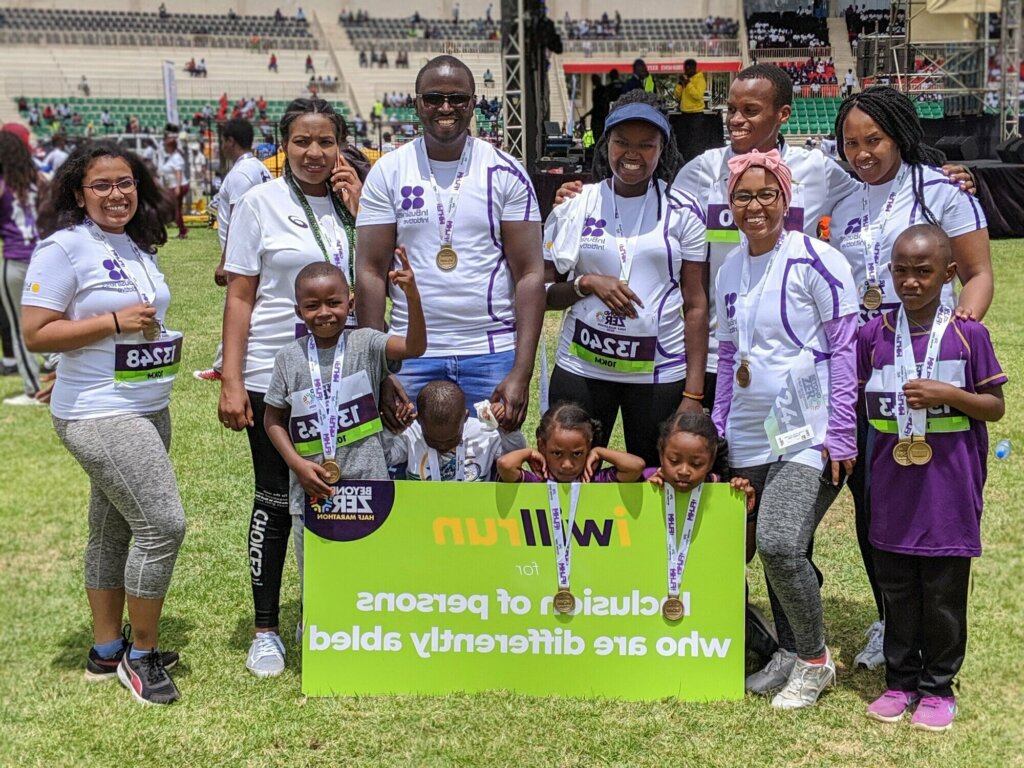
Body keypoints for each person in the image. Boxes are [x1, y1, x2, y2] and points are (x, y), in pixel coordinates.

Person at [829, 86, 992, 669]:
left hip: (922, 367)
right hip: (859, 367)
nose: (861, 152)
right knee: (875, 504)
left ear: (898, 133)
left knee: (918, 499)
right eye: (850, 142)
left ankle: (923, 633)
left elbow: (976, 274)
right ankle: (889, 620)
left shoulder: (943, 191)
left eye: (873, 139)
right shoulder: (843, 197)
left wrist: (958, 333)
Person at [21, 142, 185, 705]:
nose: (117, 194)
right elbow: (36, 332)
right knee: (163, 525)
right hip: (99, 410)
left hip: (147, 404)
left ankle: (105, 649)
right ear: (77, 193)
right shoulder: (63, 248)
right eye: (102, 186)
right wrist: (113, 321)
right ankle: (141, 658)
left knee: (114, 529)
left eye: (126, 183)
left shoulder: (135, 244)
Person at [219, 98, 364, 678]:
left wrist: (359, 209)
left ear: (340, 145)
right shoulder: (260, 202)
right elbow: (239, 295)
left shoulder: (355, 202)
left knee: (340, 493)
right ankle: (265, 629)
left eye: (325, 141)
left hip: (344, 373)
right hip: (272, 375)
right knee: (276, 498)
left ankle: (328, 609)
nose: (314, 153)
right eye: (301, 141)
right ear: (284, 146)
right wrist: (232, 380)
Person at [713, 150, 858, 709]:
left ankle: (815, 661)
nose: (755, 206)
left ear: (785, 197)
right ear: (730, 205)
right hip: (749, 432)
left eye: (766, 194)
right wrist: (721, 423)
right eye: (744, 196)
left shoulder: (816, 258)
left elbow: (844, 351)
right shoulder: (728, 268)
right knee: (768, 548)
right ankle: (790, 651)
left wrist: (841, 433)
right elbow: (729, 356)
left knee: (778, 541)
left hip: (807, 428)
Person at [857, 224, 1005, 731]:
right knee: (896, 587)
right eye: (902, 270)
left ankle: (938, 686)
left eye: (923, 271)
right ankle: (899, 681)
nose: (911, 281)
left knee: (942, 593)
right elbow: (860, 399)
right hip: (893, 488)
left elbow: (994, 407)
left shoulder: (970, 334)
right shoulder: (874, 333)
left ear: (948, 274)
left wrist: (949, 394)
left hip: (948, 490)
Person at [356, 55, 543, 435]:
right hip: (410, 352)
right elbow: (370, 272)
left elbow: (530, 274)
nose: (446, 108)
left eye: (458, 99)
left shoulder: (505, 172)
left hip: (490, 351)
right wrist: (377, 368)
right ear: (416, 103)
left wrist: (521, 372)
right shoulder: (388, 172)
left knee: (490, 476)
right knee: (408, 475)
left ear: (474, 103)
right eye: (434, 98)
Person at [542, 91, 708, 467]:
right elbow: (545, 293)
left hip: (657, 373)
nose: (632, 153)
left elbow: (696, 306)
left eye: (646, 145)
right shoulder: (575, 204)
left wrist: (693, 394)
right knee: (569, 473)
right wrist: (587, 284)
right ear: (606, 145)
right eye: (621, 143)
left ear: (662, 149)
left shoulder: (684, 212)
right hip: (582, 367)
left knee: (653, 477)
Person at [264, 258, 425, 609]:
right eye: (312, 305)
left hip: (369, 486)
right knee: (318, 572)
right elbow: (272, 418)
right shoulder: (288, 359)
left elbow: (414, 348)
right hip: (313, 489)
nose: (324, 312)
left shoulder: (366, 343)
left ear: (350, 303)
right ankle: (318, 629)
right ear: (298, 310)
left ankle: (365, 636)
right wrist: (296, 464)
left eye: (334, 302)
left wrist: (412, 296)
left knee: (370, 569)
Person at [193, 118, 273, 382]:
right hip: (260, 247)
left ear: (229, 141)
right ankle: (222, 362)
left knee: (240, 306)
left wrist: (225, 260)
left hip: (245, 252)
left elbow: (239, 218)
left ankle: (228, 365)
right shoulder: (259, 168)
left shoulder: (239, 175)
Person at [385, 379, 527, 481]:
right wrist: (392, 430)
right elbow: (384, 459)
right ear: (419, 420)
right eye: (432, 440)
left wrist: (506, 429)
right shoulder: (412, 433)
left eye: (451, 439)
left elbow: (516, 455)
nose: (443, 446)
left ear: (465, 418)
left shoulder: (483, 432)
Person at [496, 402, 645, 483]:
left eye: (577, 454)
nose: (567, 464)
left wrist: (599, 452)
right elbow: (505, 465)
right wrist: (529, 453)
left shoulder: (593, 480)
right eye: (557, 453)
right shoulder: (539, 480)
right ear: (542, 446)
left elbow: (636, 467)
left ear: (588, 447)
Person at [0, 130, 43, 404]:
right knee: (51, 318)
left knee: (19, 326)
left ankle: (34, 390)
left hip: (15, 261)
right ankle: (60, 375)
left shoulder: (2, 185)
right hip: (42, 259)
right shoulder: (37, 181)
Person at [645, 412, 756, 514]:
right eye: (674, 461)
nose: (684, 471)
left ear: (711, 462)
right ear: (661, 455)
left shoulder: (719, 486)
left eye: (696, 464)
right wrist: (644, 495)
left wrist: (743, 506)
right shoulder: (647, 479)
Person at [159, 131, 189, 240]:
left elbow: (178, 172)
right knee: (175, 210)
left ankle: (183, 230)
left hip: (178, 186)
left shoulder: (176, 157)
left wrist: (177, 186)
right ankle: (182, 229)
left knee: (174, 210)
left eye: (166, 146)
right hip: (172, 185)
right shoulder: (172, 156)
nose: (164, 148)